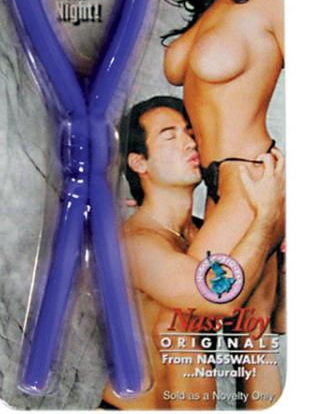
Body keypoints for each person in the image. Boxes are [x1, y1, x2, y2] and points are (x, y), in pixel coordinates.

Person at [160, 0, 285, 406]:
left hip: (251, 182)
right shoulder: (216, 3)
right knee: (249, 335)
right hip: (217, 191)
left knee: (183, 317)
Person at [100, 96, 285, 410]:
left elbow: (272, 321)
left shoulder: (206, 235)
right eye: (170, 136)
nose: (189, 143)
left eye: (189, 132)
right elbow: (216, 299)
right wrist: (266, 218)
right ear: (139, 163)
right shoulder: (134, 243)